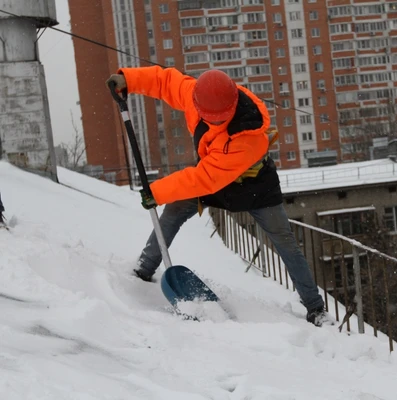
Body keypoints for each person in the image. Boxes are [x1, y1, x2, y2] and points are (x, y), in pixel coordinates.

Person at [106, 67, 330, 326]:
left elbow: (204, 178)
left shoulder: (248, 137)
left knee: (285, 241)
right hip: (215, 175)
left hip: (255, 186)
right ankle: (143, 270)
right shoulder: (198, 96)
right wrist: (129, 80)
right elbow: (167, 82)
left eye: (219, 120)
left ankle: (315, 308)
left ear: (232, 107)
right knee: (174, 210)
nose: (213, 124)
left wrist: (155, 192)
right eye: (209, 119)